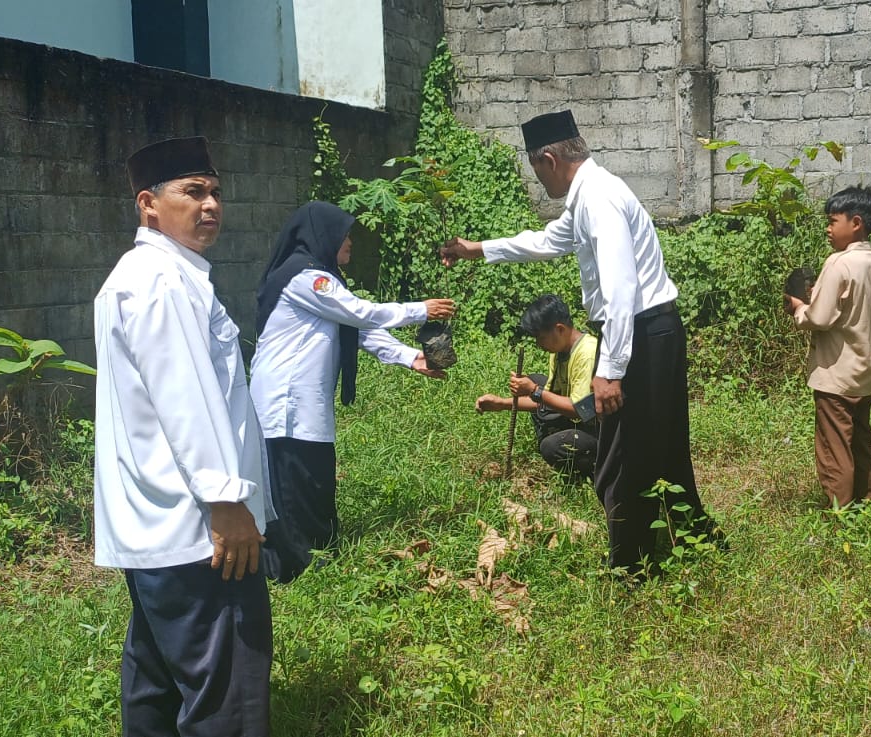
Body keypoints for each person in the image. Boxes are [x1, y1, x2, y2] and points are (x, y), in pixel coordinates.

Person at [440, 110, 719, 577]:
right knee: (662, 450)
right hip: (654, 332)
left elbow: (620, 287)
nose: (538, 181)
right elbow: (548, 240)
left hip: (639, 333)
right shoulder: (588, 196)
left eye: (536, 170)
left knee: (619, 459)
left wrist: (609, 370)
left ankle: (632, 569)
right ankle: (693, 545)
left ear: (549, 158)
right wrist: (478, 248)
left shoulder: (600, 199)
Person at [93, 136, 273, 735]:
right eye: (193, 192)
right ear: (149, 204)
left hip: (158, 528)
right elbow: (186, 401)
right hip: (201, 533)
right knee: (227, 695)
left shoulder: (148, 275)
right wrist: (227, 500)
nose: (211, 205)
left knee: (154, 681)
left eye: (215, 192)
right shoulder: (162, 281)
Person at [251, 201, 455, 584]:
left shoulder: (322, 278)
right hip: (286, 400)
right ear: (323, 235)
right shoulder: (305, 278)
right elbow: (361, 313)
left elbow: (359, 329)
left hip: (304, 399)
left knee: (314, 474)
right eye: (345, 235)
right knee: (294, 479)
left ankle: (320, 554)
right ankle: (297, 568)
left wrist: (411, 357)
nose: (350, 243)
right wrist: (419, 310)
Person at [784, 186, 871, 509]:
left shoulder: (839, 263)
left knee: (834, 447)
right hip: (866, 370)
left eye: (833, 222)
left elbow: (821, 317)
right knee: (860, 440)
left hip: (836, 373)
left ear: (855, 222)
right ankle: (865, 504)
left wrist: (799, 308)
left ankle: (840, 514)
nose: (828, 230)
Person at [475, 294, 602, 483]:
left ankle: (591, 472)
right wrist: (501, 403)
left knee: (551, 446)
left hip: (599, 429)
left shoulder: (587, 353)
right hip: (577, 418)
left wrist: (535, 391)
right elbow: (546, 402)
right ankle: (557, 446)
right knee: (536, 383)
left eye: (541, 338)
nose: (538, 344)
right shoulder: (559, 351)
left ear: (559, 329)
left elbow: (580, 410)